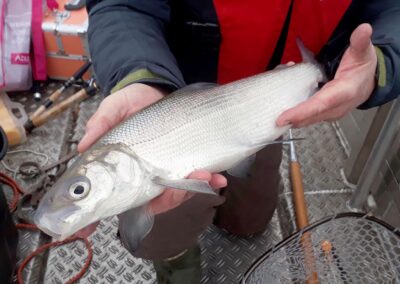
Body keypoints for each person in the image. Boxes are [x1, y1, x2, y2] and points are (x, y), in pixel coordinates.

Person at [80, 0, 400, 283]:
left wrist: (381, 66)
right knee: (158, 234)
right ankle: (177, 268)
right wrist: (139, 75)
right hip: (174, 103)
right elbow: (123, 5)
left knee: (249, 222)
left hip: (266, 112)